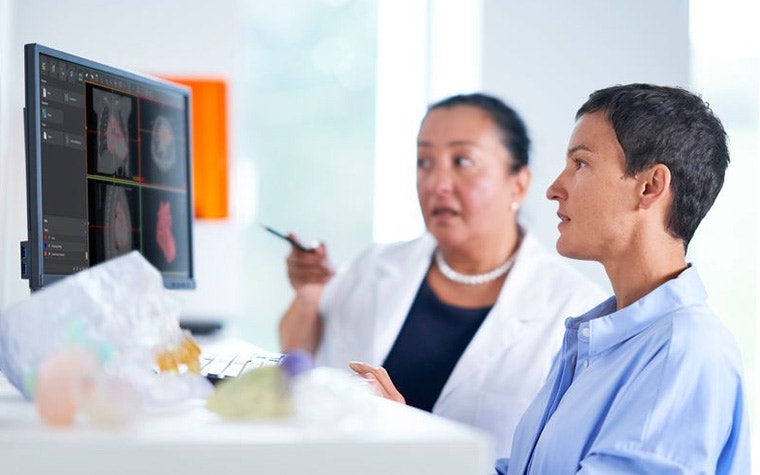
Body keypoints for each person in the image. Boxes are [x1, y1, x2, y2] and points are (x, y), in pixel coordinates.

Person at [279, 93, 605, 457]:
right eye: (424, 162)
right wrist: (309, 299)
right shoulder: (377, 266)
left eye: (462, 161)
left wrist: (398, 430)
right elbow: (297, 363)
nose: (437, 183)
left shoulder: (577, 309)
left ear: (519, 183)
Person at [496, 84, 750, 474]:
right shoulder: (594, 343)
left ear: (650, 186)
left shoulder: (683, 352)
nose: (553, 189)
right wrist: (415, 442)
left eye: (580, 164)